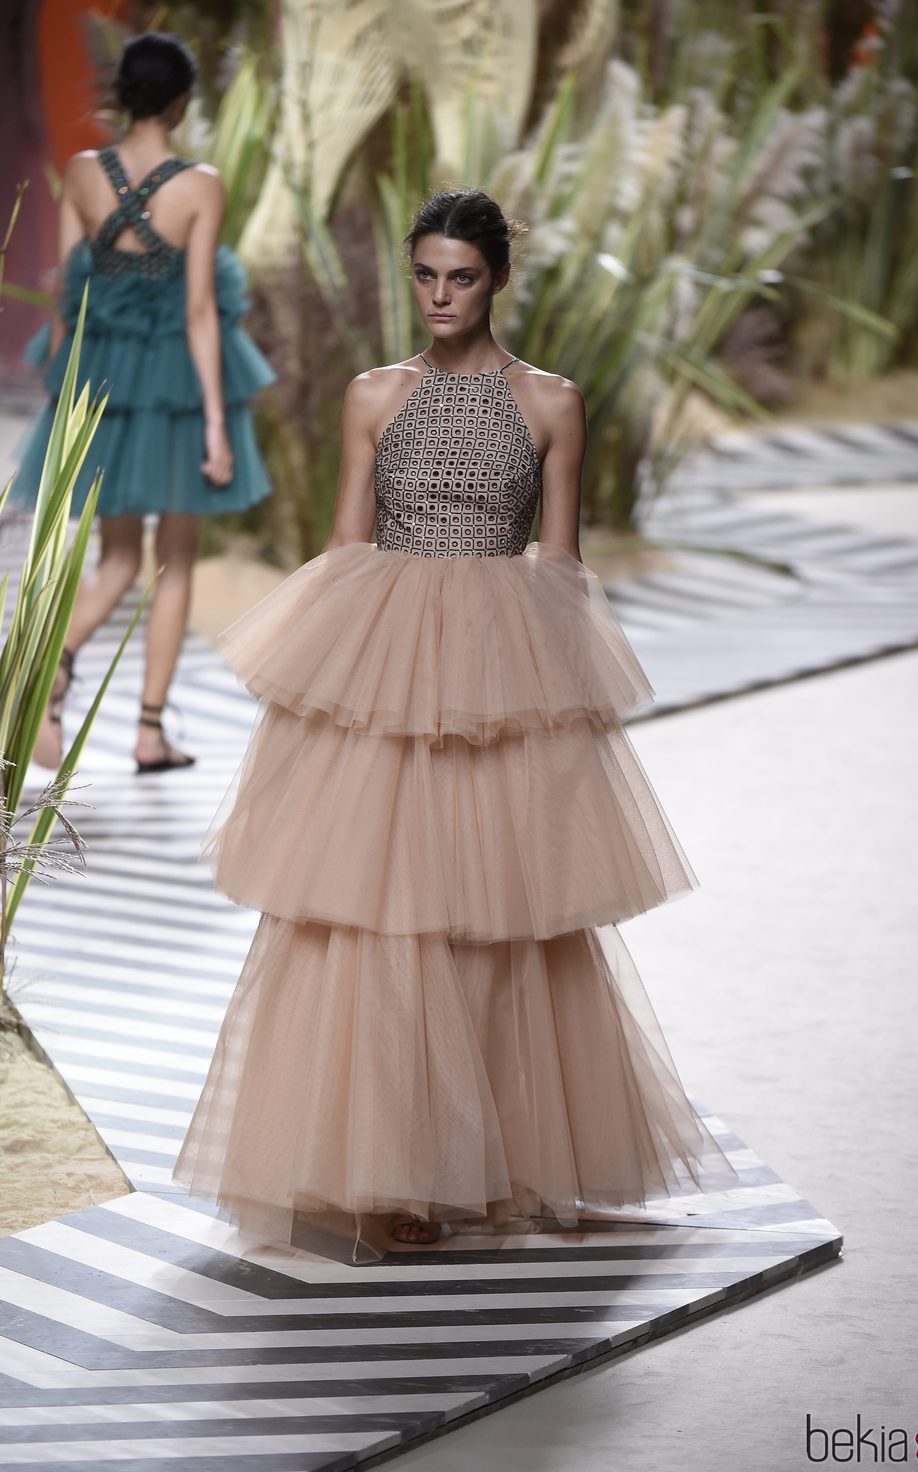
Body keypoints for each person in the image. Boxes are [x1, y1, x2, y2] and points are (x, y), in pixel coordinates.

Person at [173, 188, 737, 1260]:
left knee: (499, 929)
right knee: (384, 920)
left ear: (496, 280)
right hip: (387, 668)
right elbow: (347, 547)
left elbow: (560, 564)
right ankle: (393, 1170)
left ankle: (492, 1160)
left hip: (497, 674)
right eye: (424, 275)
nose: (439, 296)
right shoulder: (374, 396)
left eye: (461, 277)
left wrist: (556, 721)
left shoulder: (551, 402)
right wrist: (322, 695)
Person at [10, 31, 275, 774]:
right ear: (184, 101)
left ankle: (41, 679)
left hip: (99, 384)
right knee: (176, 562)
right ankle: (146, 731)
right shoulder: (202, 184)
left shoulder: (84, 171)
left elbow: (68, 291)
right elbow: (199, 312)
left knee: (118, 561)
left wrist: (65, 393)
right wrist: (217, 426)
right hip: (176, 390)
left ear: (122, 93)